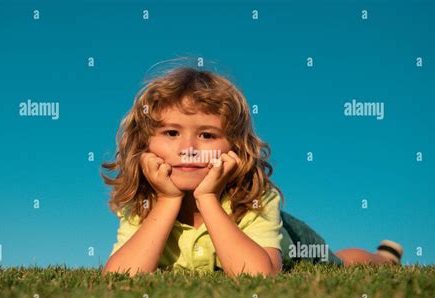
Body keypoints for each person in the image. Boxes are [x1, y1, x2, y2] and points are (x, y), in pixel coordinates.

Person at [101, 66, 403, 278]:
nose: (188, 148)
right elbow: (121, 277)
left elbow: (259, 274)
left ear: (235, 147)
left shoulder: (255, 196)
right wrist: (167, 202)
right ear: (144, 144)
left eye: (207, 135)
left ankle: (385, 258)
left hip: (291, 242)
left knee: (339, 262)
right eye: (170, 133)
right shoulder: (143, 202)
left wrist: (207, 197)